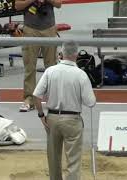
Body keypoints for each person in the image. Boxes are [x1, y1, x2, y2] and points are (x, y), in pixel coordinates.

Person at [33, 41, 96, 180]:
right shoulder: (81, 74)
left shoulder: (50, 71)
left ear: (61, 53)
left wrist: (41, 115)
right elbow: (90, 102)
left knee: (53, 158)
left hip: (52, 118)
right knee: (73, 160)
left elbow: (36, 96)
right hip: (72, 120)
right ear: (77, 55)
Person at [15, 0, 62, 112]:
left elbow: (59, 3)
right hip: (30, 29)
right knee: (29, 67)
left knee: (51, 67)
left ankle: (53, 99)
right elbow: (17, 5)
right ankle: (28, 99)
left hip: (49, 29)